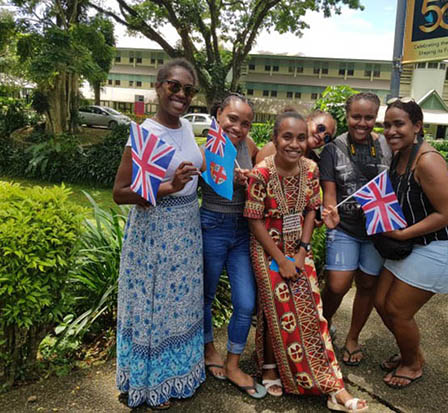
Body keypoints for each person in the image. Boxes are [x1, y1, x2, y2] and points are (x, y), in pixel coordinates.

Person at [244, 110, 368, 412]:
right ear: (275, 138)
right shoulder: (260, 173)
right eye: (287, 137)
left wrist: (301, 251)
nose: (295, 144)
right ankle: (270, 366)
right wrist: (281, 260)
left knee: (312, 313)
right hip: (267, 249)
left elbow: (312, 210)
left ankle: (332, 384)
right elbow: (255, 222)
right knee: (276, 305)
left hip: (299, 246)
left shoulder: (311, 169)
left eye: (301, 138)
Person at [113, 58, 205, 409]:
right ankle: (149, 382)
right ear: (159, 86)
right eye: (174, 86)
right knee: (155, 306)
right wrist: (169, 186)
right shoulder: (144, 133)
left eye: (188, 89)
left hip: (186, 231)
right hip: (154, 232)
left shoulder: (185, 129)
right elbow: (121, 193)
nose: (181, 94)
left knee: (179, 307)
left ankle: (179, 374)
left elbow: (198, 167)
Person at [375, 98, 448, 389]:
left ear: (417, 126)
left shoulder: (427, 161)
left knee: (399, 311)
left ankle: (412, 364)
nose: (391, 131)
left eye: (399, 124)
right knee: (380, 302)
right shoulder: (400, 155)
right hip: (411, 245)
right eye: (387, 125)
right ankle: (410, 352)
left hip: (437, 248)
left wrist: (402, 234)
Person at [200, 93, 266, 399]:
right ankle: (209, 349)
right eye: (232, 119)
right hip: (211, 226)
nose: (238, 127)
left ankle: (234, 362)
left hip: (241, 231)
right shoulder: (204, 149)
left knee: (245, 302)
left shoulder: (248, 147)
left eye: (246, 123)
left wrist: (251, 179)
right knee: (206, 295)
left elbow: (261, 176)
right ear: (217, 115)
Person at [319, 92, 392, 366]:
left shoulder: (387, 146)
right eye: (355, 117)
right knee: (337, 285)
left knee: (368, 284)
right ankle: (321, 327)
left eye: (369, 117)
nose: (362, 123)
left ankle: (353, 337)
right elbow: (330, 191)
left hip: (377, 230)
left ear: (376, 117)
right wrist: (330, 213)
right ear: (346, 116)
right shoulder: (333, 149)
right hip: (344, 228)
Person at [255, 110, 336, 165]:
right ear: (308, 120)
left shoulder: (315, 162)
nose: (321, 136)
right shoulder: (274, 148)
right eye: (321, 128)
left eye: (327, 137)